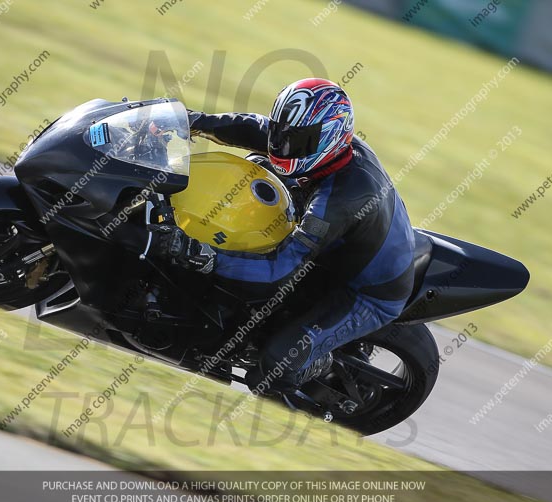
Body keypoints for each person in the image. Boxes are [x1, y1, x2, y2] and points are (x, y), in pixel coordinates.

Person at [149, 78, 415, 394]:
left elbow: (281, 267)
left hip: (366, 292)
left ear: (327, 136)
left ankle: (323, 364)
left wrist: (204, 256)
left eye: (295, 140)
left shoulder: (343, 196)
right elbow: (250, 127)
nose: (283, 146)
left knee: (274, 368)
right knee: (256, 168)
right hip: (339, 243)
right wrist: (190, 120)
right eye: (281, 133)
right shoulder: (309, 141)